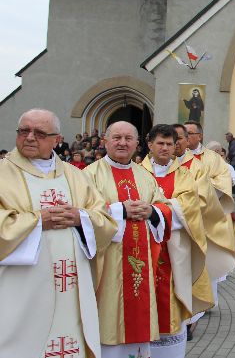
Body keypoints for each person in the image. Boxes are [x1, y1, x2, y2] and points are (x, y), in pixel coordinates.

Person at [0, 109, 117, 358]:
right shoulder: (3, 173)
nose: (30, 137)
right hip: (21, 288)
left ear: (57, 139)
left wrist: (80, 218)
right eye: (24, 131)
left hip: (71, 285)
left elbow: (105, 221)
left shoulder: (75, 175)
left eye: (40, 133)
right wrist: (36, 221)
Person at [83, 121, 173, 358]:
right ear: (105, 140)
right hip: (107, 266)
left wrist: (152, 212)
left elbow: (165, 206)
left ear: (137, 143)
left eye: (128, 138)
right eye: (117, 138)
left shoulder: (145, 176)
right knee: (108, 320)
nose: (122, 143)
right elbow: (82, 215)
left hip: (141, 265)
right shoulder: (88, 175)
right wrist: (119, 211)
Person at [141, 124, 213, 357]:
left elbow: (190, 209)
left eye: (169, 144)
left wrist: (155, 211)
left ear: (176, 147)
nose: (165, 148)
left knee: (170, 299)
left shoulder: (184, 175)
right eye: (160, 143)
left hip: (172, 251)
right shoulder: (136, 173)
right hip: (139, 248)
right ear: (149, 144)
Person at [172, 124, 235, 331]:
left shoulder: (211, 158)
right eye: (182, 134)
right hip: (175, 218)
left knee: (202, 262)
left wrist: (204, 191)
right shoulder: (172, 156)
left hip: (204, 216)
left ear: (199, 136)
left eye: (189, 134)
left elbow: (223, 182)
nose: (185, 138)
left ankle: (199, 308)